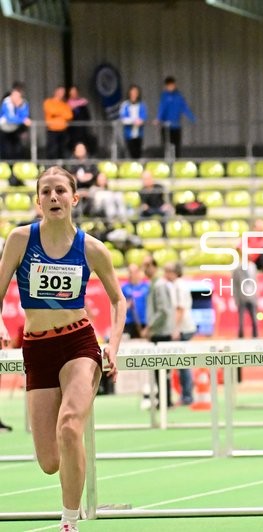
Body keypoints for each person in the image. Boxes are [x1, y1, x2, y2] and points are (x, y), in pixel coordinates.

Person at [0, 166, 125, 531]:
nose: (53, 197)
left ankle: (69, 522)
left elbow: (119, 302)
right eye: (46, 192)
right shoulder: (20, 240)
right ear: (38, 201)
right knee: (49, 461)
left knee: (70, 427)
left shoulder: (91, 247)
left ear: (74, 198)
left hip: (79, 343)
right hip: (37, 349)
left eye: (60, 191)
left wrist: (112, 346)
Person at [141, 255, 176, 407]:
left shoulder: (159, 285)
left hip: (161, 333)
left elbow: (163, 311)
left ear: (154, 266)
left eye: (147, 265)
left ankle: (165, 400)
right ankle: (163, 399)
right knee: (158, 370)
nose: (145, 269)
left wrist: (150, 327)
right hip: (158, 332)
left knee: (163, 370)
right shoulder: (153, 284)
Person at [164, 262, 195, 405]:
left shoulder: (178, 285)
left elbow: (180, 309)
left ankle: (187, 396)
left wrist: (175, 328)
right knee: (182, 363)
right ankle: (186, 394)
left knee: (183, 363)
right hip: (185, 326)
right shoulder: (179, 284)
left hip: (183, 327)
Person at [156, 76, 195, 158]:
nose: (171, 87)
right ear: (166, 86)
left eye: (172, 85)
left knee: (177, 146)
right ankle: (168, 163)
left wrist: (192, 118)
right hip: (166, 127)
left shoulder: (179, 96)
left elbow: (185, 108)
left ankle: (176, 163)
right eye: (169, 85)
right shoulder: (164, 96)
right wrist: (158, 119)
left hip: (176, 126)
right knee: (167, 146)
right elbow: (162, 108)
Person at [0, 82, 32, 160]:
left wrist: (19, 107)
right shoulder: (6, 101)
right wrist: (22, 120)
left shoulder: (23, 102)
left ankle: (17, 169)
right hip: (4, 129)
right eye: (14, 95)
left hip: (16, 129)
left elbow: (25, 116)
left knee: (18, 151)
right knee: (6, 151)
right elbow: (10, 118)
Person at [232, 247, 259, 339]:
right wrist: (236, 299)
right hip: (242, 297)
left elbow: (255, 281)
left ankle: (255, 336)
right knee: (241, 320)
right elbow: (235, 285)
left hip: (252, 296)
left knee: (254, 319)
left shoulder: (253, 267)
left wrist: (256, 296)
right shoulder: (237, 270)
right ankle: (241, 336)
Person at [43, 86, 74, 160]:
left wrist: (57, 113)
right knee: (52, 150)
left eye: (63, 92)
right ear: (55, 92)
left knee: (62, 150)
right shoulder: (48, 102)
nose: (61, 94)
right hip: (52, 130)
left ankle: (62, 169)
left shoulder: (65, 104)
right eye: (60, 92)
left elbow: (69, 116)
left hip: (63, 130)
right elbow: (51, 110)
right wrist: (61, 113)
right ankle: (50, 168)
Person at [121, 263, 149, 339]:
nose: (130, 274)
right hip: (129, 323)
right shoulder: (124, 287)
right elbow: (119, 306)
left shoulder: (146, 287)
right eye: (129, 272)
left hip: (144, 322)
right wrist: (127, 305)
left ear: (138, 273)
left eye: (132, 272)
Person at [119, 84, 147, 159]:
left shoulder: (141, 105)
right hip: (128, 134)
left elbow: (143, 117)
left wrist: (140, 121)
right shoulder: (125, 105)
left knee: (138, 153)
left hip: (139, 134)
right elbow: (123, 119)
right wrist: (133, 121)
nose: (134, 95)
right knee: (129, 153)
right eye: (132, 93)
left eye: (136, 93)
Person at [66, 87, 93, 153]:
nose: (73, 94)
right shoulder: (67, 104)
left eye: (75, 92)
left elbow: (87, 116)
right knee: (73, 145)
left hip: (82, 129)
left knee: (83, 145)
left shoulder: (83, 103)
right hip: (72, 130)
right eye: (72, 93)